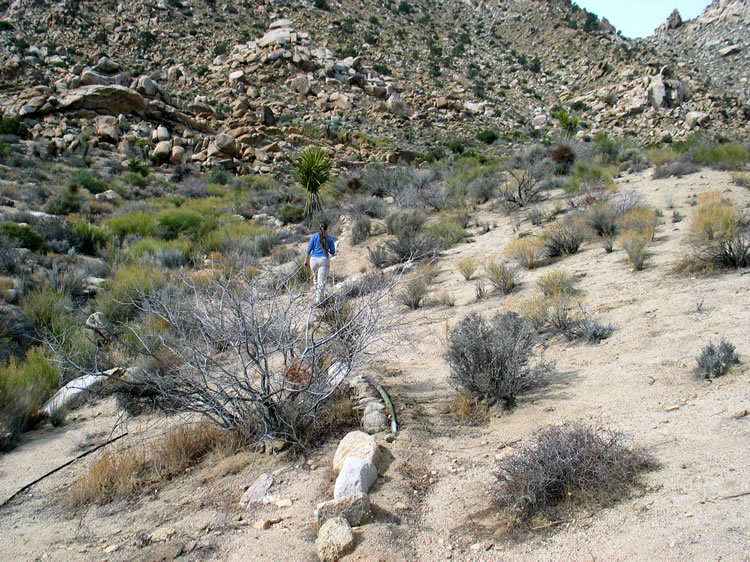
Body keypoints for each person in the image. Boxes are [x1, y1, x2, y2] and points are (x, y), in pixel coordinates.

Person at [304, 221, 335, 304]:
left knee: (315, 280)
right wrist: (327, 249)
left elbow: (309, 249)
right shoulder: (330, 238)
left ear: (319, 228)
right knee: (321, 282)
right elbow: (332, 252)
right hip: (324, 260)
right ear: (327, 229)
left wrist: (305, 260)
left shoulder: (314, 236)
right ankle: (319, 301)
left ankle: (318, 298)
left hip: (313, 260)